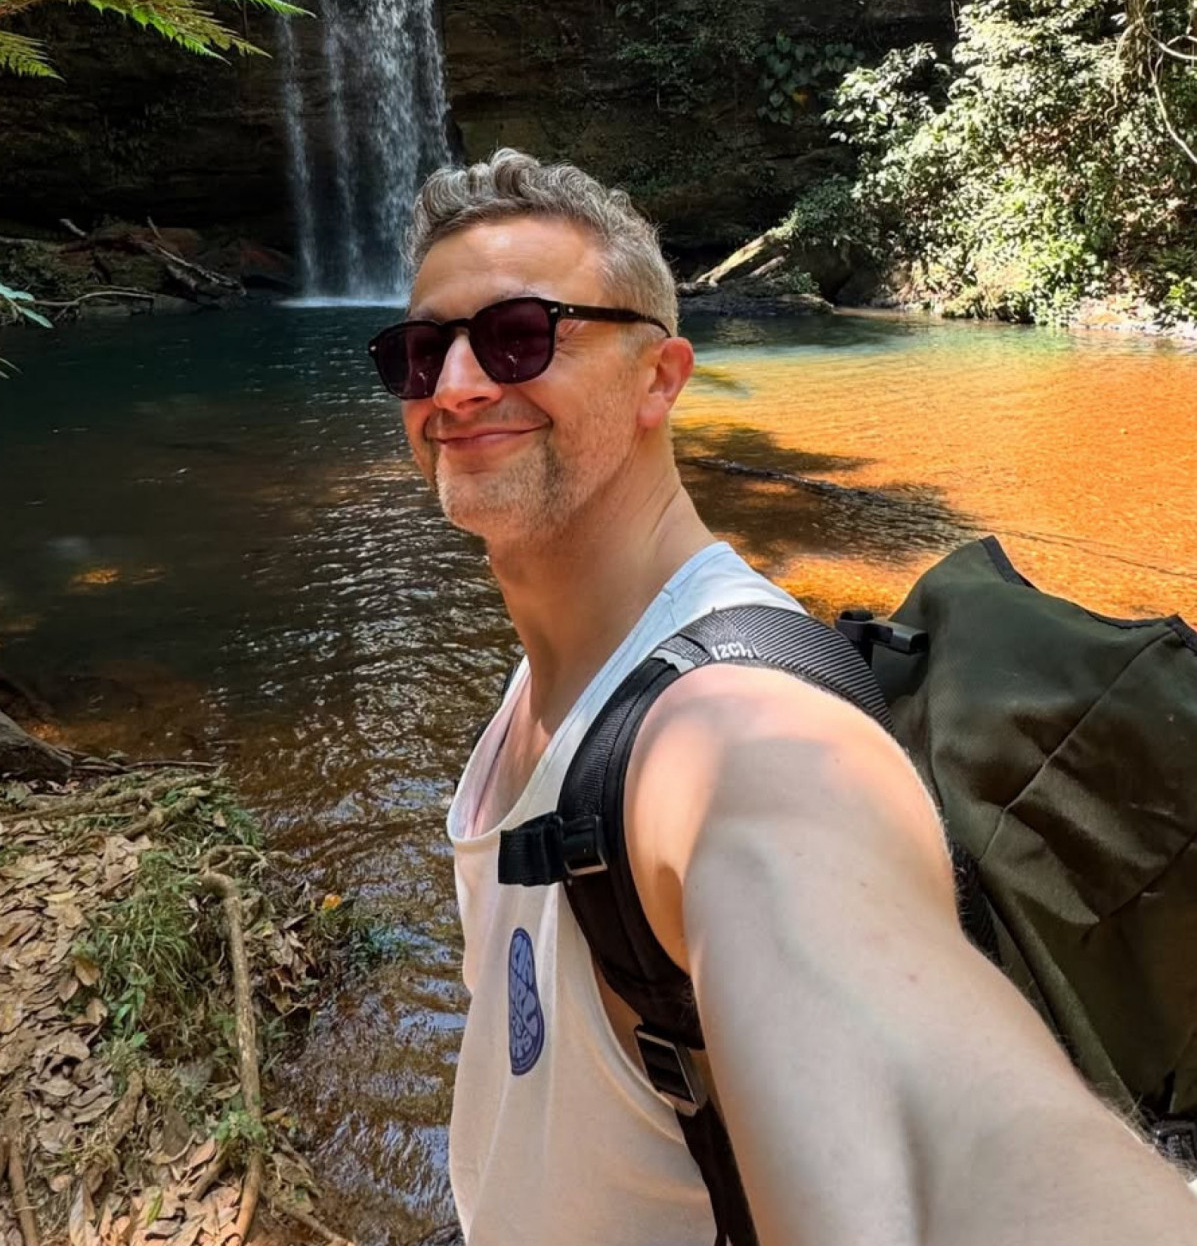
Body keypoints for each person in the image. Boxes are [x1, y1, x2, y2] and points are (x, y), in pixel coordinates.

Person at [372, 148, 1197, 1246]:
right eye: (419, 352)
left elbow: (926, 1094)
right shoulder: (553, 673)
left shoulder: (732, 723)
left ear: (660, 377)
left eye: (519, 336)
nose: (456, 387)